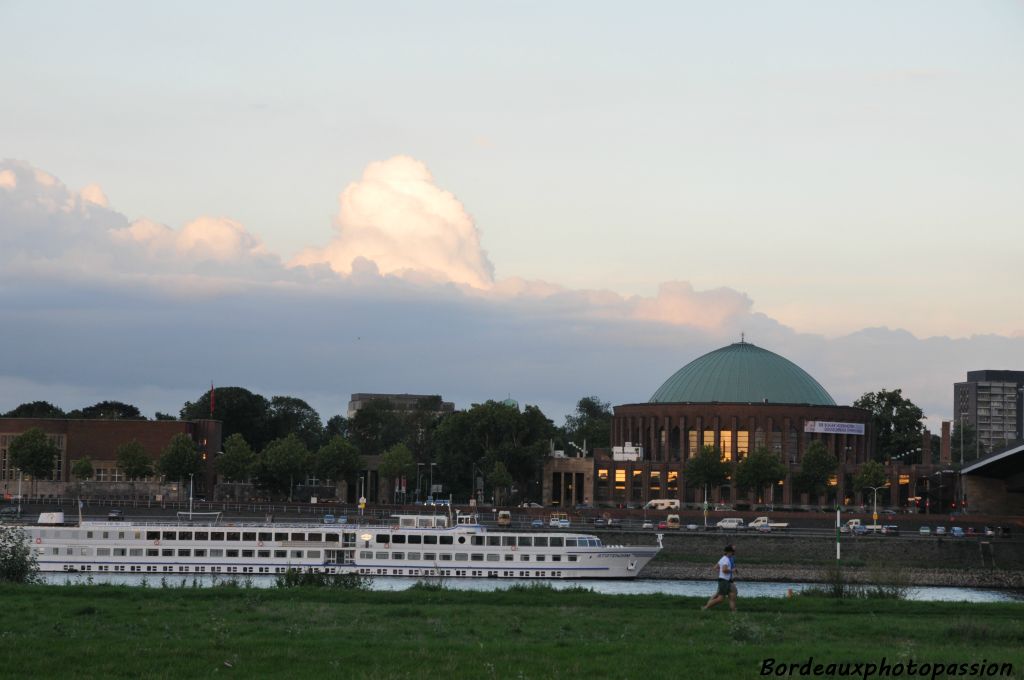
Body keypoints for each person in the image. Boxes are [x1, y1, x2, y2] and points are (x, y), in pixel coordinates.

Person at [702, 544, 737, 611]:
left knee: (732, 594)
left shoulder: (724, 558)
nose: (733, 553)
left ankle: (734, 611)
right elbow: (724, 570)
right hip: (724, 581)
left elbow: (716, 568)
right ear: (728, 552)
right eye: (732, 551)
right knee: (720, 599)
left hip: (727, 580)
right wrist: (732, 570)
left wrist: (721, 571)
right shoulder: (726, 560)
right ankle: (705, 608)